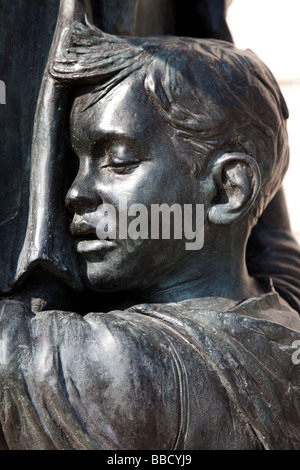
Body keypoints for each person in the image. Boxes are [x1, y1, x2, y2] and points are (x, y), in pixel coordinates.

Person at [0, 20, 299, 450]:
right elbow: (276, 240)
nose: (74, 192)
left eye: (117, 162)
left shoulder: (121, 365)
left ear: (227, 189)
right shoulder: (287, 314)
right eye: (76, 162)